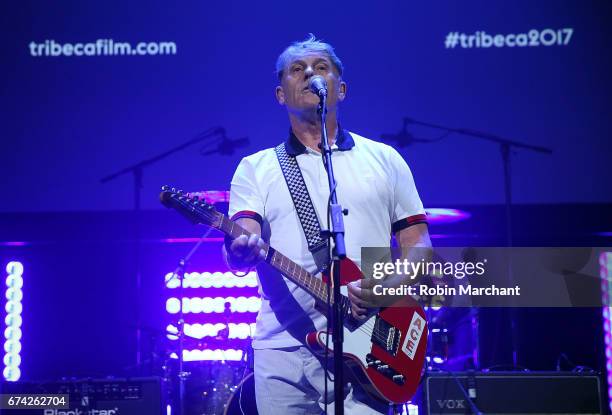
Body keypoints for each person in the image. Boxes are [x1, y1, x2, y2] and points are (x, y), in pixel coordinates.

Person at [222, 34, 431, 414]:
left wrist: (387, 289)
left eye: (321, 68)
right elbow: (245, 230)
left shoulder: (384, 159)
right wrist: (241, 246)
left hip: (373, 344)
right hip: (285, 350)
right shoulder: (257, 167)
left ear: (342, 88)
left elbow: (420, 247)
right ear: (281, 95)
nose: (309, 75)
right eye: (296, 70)